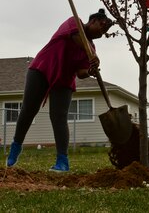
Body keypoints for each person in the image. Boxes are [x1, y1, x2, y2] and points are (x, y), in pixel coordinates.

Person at [7, 9, 113, 172]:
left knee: (59, 117)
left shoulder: (91, 48)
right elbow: (77, 37)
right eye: (102, 26)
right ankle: (16, 145)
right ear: (92, 21)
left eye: (105, 31)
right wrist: (91, 54)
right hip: (42, 69)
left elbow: (80, 73)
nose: (102, 32)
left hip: (63, 80)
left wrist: (90, 71)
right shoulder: (74, 22)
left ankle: (62, 161)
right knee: (29, 109)